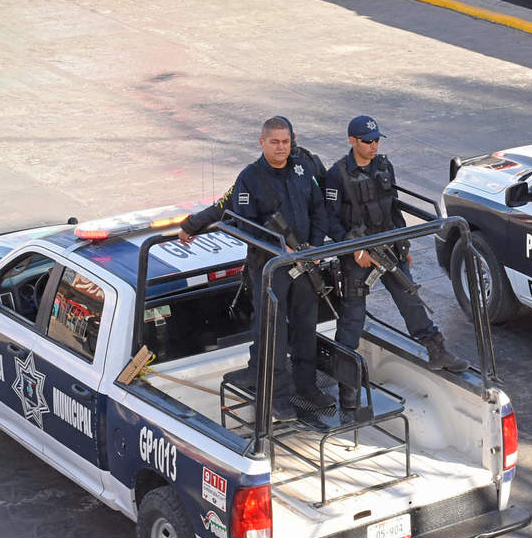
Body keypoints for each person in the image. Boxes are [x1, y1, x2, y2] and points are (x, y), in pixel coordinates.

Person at [324, 116, 468, 414]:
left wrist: (404, 246)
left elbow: (393, 207)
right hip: (358, 253)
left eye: (377, 139)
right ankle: (347, 388)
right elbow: (330, 220)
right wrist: (355, 249)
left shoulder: (383, 165)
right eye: (367, 141)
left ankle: (437, 350)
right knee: (352, 319)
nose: (373, 145)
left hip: (389, 247)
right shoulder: (337, 175)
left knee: (410, 299)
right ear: (352, 141)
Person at [200, 118, 331, 423]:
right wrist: (280, 250)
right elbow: (246, 227)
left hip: (304, 262)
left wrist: (314, 246)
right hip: (270, 267)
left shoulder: (302, 169)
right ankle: (278, 397)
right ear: (262, 143)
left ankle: (307, 386)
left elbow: (318, 209)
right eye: (274, 142)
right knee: (274, 333)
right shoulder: (249, 178)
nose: (281, 147)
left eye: (285, 142)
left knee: (306, 327)